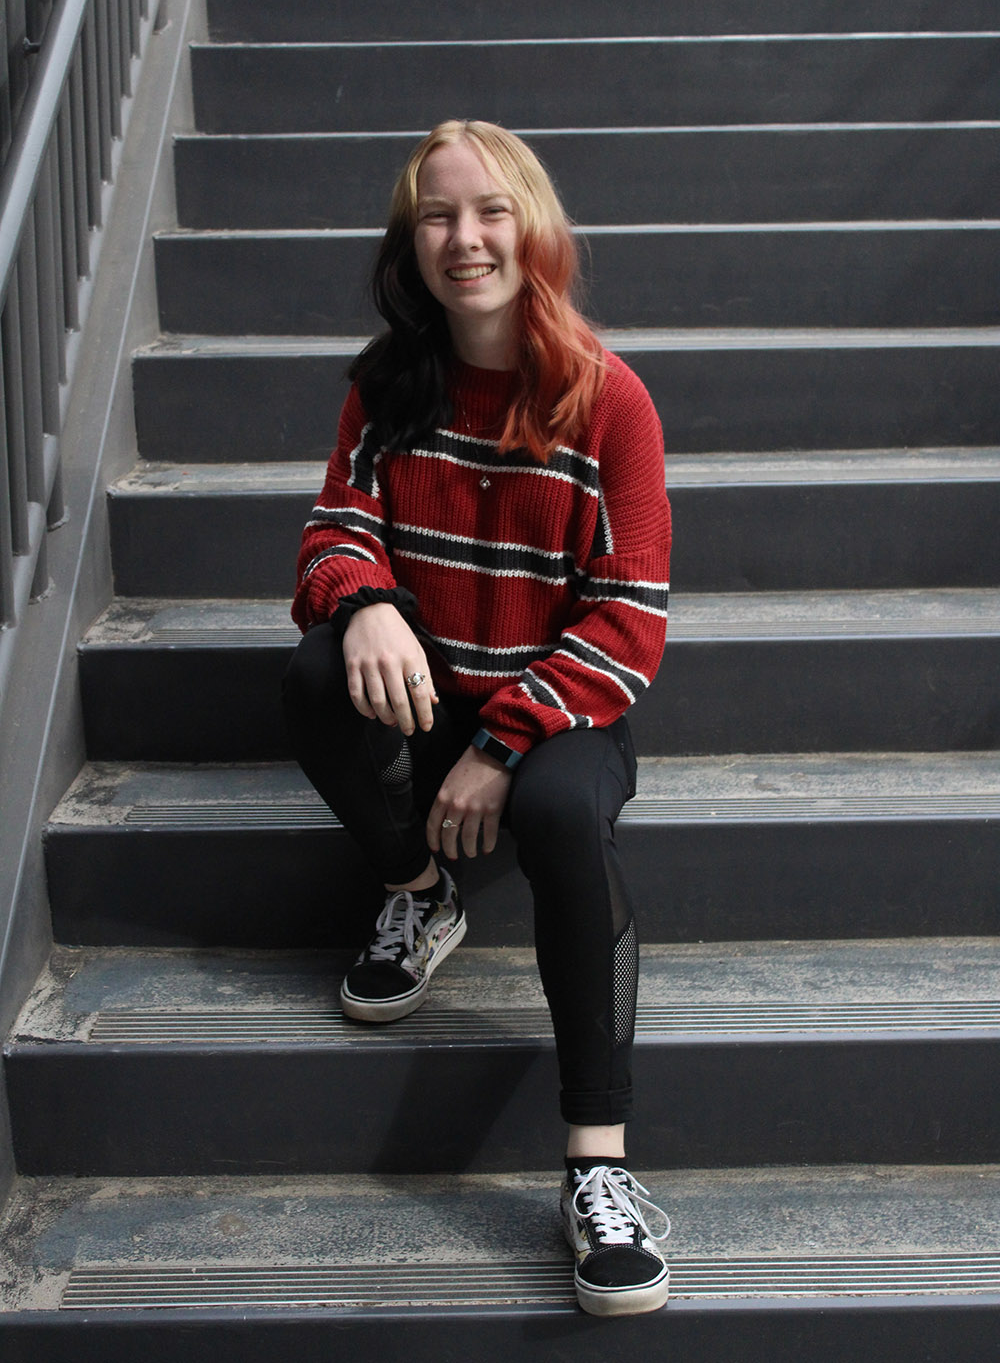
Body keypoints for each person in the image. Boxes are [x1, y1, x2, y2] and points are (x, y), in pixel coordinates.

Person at [282, 119, 672, 1317]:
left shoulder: (607, 401)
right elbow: (330, 534)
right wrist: (369, 604)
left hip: (559, 711)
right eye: (439, 216)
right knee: (310, 674)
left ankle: (596, 1168)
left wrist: (507, 743)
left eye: (490, 211)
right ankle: (419, 891)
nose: (466, 239)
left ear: (534, 228)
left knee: (560, 810)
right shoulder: (387, 382)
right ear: (413, 243)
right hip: (430, 688)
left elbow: (629, 615)